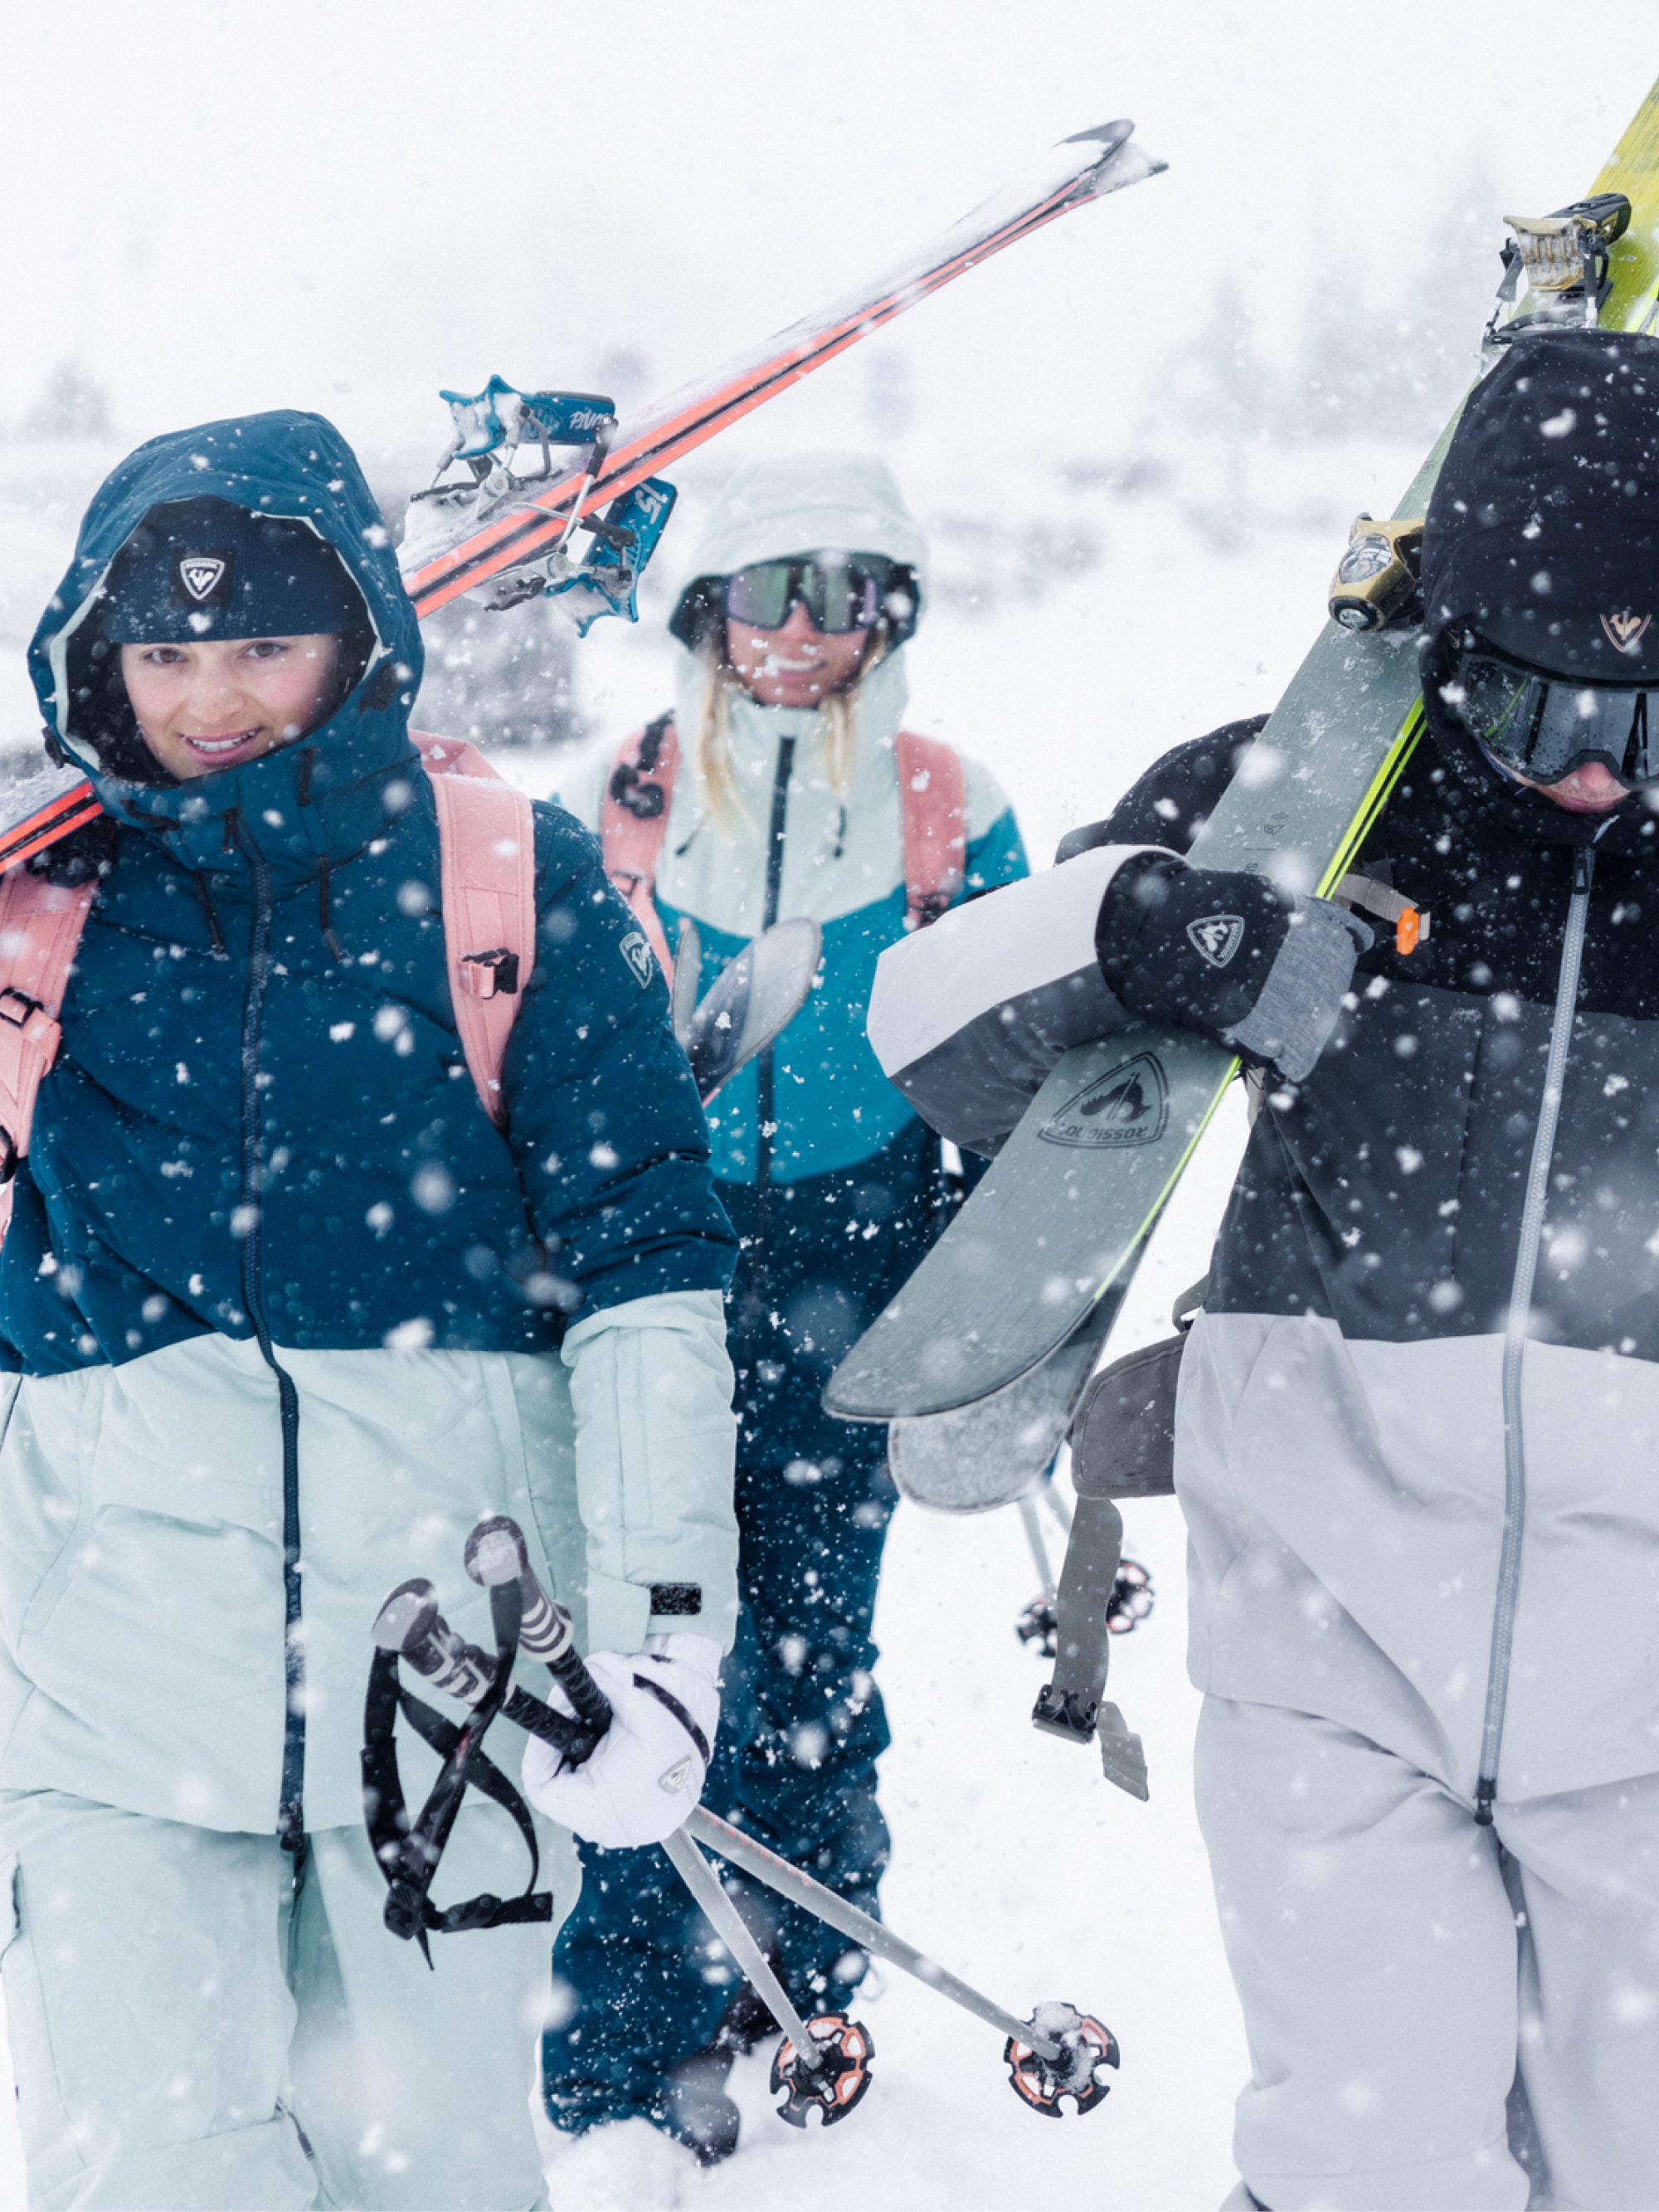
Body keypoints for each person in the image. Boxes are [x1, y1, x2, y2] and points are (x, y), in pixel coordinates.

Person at [865, 324, 1659, 2211]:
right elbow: (926, 1027)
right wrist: (1148, 932)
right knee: (1370, 2162)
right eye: (1545, 716)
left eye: (1647, 725)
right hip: (1333, 1633)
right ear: (1453, 643)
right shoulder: (1298, 799)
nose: (1589, 781)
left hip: (1645, 1676)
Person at [0, 408, 740, 2210]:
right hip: (102, 1703)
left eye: (266, 642)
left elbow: (644, 1266)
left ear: (362, 639)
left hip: (446, 1691)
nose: (213, 696)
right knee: (152, 2177)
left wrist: (661, 1633)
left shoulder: (504, 875)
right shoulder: (39, 908)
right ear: (99, 658)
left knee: (438, 2175)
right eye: (165, 653)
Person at [546, 451, 1028, 2161]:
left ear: (889, 612)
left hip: (857, 1256)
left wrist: (999, 1279)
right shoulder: (621, 797)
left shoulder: (945, 807)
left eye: (848, 596)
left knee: (812, 1640)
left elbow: (1015, 1056)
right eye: (771, 593)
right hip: (658, 1261)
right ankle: (625, 2027)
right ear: (706, 611)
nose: (805, 635)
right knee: (658, 1649)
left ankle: (797, 1968)